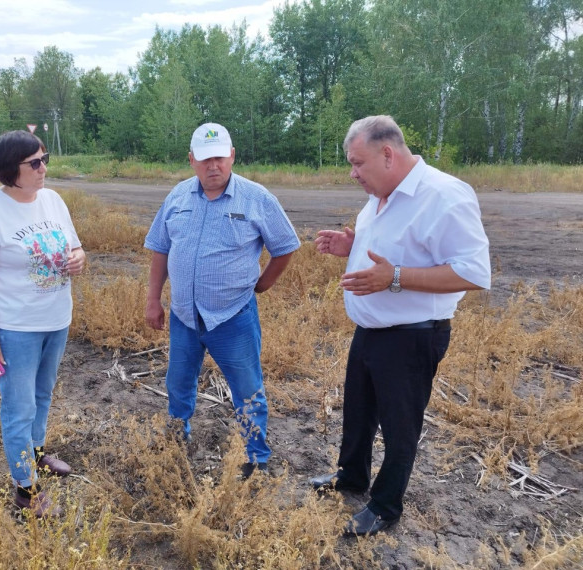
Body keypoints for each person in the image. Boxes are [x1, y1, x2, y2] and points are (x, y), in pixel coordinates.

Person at [311, 115, 490, 536]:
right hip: (370, 330)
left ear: (387, 153)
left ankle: (386, 505)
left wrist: (395, 278)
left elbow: (475, 272)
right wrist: (351, 246)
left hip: (413, 336)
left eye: (358, 164)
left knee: (398, 425)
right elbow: (392, 249)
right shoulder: (380, 194)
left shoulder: (444, 196)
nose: (352, 173)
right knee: (358, 412)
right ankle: (350, 477)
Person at [144, 122, 300, 477]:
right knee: (178, 384)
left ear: (232, 156)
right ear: (191, 160)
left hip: (232, 317)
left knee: (247, 389)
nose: (212, 166)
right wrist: (153, 300)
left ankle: (256, 458)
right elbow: (160, 249)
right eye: (204, 159)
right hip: (184, 316)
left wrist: (262, 286)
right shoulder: (178, 197)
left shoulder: (257, 198)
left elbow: (286, 247)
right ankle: (176, 439)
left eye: (219, 158)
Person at [0, 130, 86, 517]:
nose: (43, 168)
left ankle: (36, 454)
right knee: (19, 406)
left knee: (43, 395)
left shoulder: (52, 200)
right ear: (7, 170)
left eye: (44, 159)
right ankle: (25, 489)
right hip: (16, 328)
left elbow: (74, 246)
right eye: (34, 163)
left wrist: (79, 257)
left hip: (56, 320)